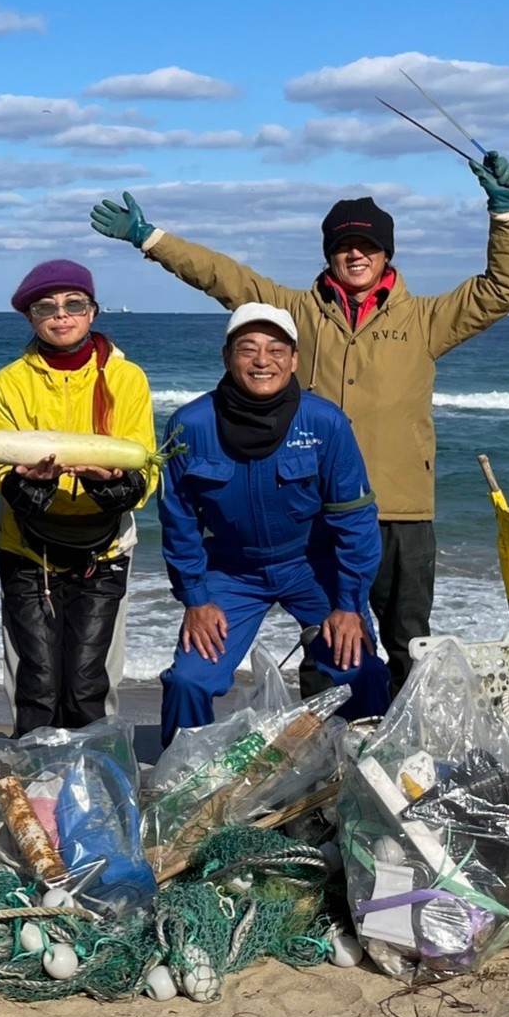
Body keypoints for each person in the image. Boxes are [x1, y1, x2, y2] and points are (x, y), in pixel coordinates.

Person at [91, 154, 509, 689]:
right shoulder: (294, 311)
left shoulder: (425, 319)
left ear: (385, 253)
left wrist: (505, 215)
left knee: (407, 638)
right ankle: (325, 747)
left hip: (399, 506)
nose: (355, 254)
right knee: (328, 643)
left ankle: (409, 748)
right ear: (329, 254)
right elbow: (221, 276)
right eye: (344, 245)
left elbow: (499, 290)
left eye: (367, 245)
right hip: (316, 510)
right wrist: (151, 238)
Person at [156, 304, 391, 745]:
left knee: (361, 668)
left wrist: (349, 603)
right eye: (248, 349)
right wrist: (195, 597)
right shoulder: (189, 425)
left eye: (276, 349)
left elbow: (355, 520)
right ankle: (178, 786)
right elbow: (178, 520)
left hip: (310, 564)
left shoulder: (325, 423)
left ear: (294, 360)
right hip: (231, 570)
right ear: (227, 357)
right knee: (189, 679)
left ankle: (377, 770)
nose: (262, 360)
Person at [0, 259, 156, 736]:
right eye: (46, 307)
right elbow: (4, 478)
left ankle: (97, 787)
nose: (61, 315)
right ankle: (37, 787)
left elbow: (143, 473)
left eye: (73, 304)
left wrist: (106, 483)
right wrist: (33, 484)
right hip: (26, 548)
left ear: (92, 311)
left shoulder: (126, 379)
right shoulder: (8, 384)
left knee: (87, 686)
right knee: (36, 685)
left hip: (105, 550)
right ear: (30, 318)